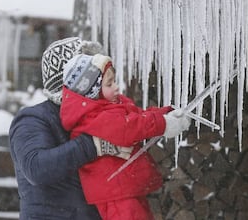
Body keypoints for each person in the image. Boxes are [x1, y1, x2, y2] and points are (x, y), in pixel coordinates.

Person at [8, 37, 190, 220]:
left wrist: (164, 118)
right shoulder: (33, 119)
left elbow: (134, 121)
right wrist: (93, 145)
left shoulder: (99, 114)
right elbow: (36, 168)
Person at [59, 53, 190, 220]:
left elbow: (139, 116)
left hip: (125, 189)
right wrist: (163, 124)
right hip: (115, 195)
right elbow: (128, 128)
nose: (116, 87)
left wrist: (165, 113)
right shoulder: (94, 118)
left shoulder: (110, 106)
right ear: (92, 91)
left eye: (114, 81)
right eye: (109, 84)